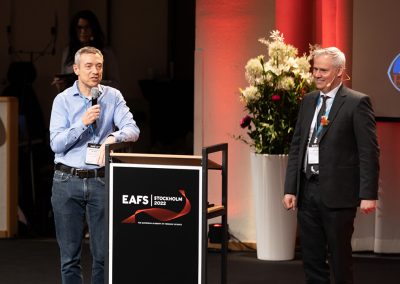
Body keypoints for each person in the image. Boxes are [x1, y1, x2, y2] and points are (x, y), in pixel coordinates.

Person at [283, 47, 379, 284]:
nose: (316, 74)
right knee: (312, 259)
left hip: (339, 195)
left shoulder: (357, 103)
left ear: (339, 72)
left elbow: (369, 152)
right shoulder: (308, 101)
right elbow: (297, 146)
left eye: (323, 70)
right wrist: (290, 188)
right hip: (308, 192)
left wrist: (368, 194)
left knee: (340, 260)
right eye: (315, 69)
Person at [49, 46, 140, 283]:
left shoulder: (112, 96)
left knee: (102, 255)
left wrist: (112, 138)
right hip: (67, 181)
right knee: (69, 257)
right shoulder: (63, 100)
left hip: (101, 180)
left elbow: (132, 129)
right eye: (88, 66)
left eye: (99, 66)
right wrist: (82, 123)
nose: (95, 71)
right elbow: (56, 144)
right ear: (76, 69)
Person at [52, 10, 120, 92]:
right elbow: (64, 81)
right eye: (79, 28)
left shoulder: (106, 52)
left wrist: (89, 83)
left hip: (98, 100)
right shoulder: (68, 51)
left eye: (87, 27)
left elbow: (115, 85)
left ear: (93, 29)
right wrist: (61, 85)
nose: (83, 31)